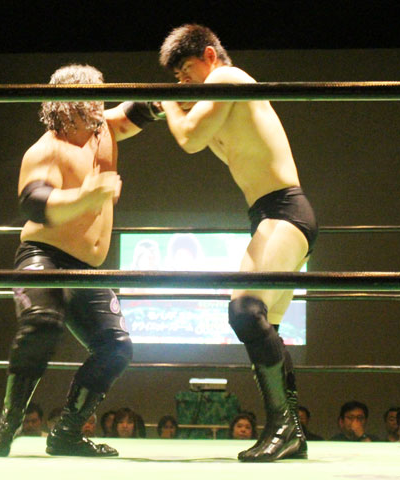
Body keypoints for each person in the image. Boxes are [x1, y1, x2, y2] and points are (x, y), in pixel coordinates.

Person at [151, 24, 318, 462]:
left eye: (186, 72)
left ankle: (285, 427)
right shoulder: (221, 101)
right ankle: (290, 432)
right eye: (177, 79)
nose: (183, 84)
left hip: (283, 212)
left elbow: (189, 139)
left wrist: (166, 102)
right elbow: (193, 128)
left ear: (210, 56)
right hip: (271, 216)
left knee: (244, 309)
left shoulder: (227, 77)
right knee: (266, 329)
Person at [0, 64, 145, 458]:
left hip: (87, 268)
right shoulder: (47, 150)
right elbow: (34, 203)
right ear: (68, 103)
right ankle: (8, 423)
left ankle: (67, 433)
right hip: (44, 255)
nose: (100, 102)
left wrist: (179, 97)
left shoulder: (104, 129)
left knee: (116, 347)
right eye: (93, 94)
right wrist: (87, 196)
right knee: (42, 322)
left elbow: (141, 110)